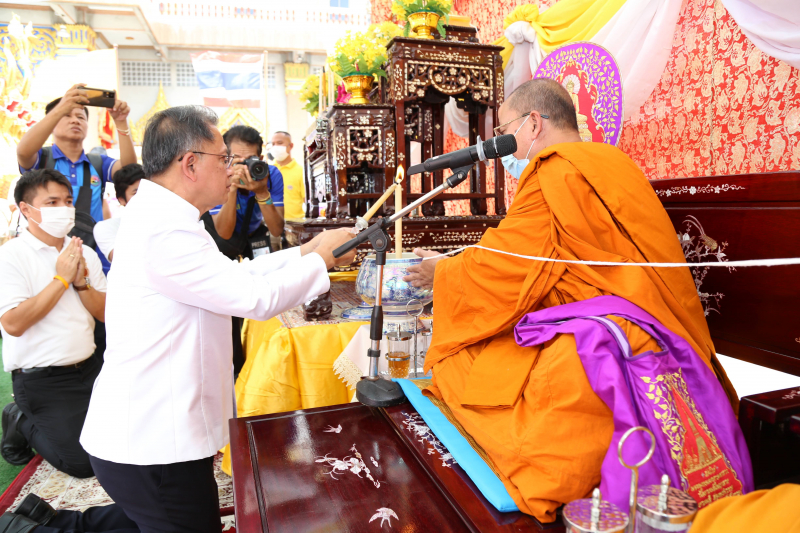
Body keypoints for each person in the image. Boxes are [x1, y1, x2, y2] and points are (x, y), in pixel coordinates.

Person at [403, 78, 741, 523]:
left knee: (464, 362)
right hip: (665, 322)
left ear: (533, 123)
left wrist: (442, 272)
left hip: (613, 327)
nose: (503, 146)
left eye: (504, 130)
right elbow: (536, 254)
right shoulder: (614, 161)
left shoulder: (555, 172)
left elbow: (507, 266)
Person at [79, 105, 356, 533]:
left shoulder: (169, 217)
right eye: (224, 158)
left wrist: (306, 251)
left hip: (158, 433)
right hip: (151, 442)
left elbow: (235, 275)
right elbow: (254, 297)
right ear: (189, 164)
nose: (233, 169)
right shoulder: (164, 229)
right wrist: (324, 259)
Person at [0, 169, 107, 478]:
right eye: (52, 202)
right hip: (43, 380)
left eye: (68, 201)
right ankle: (19, 418)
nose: (64, 208)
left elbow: (104, 314)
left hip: (90, 368)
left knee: (122, 444)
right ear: (26, 209)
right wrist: (61, 279)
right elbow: (13, 324)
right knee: (84, 465)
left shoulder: (84, 252)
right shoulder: (11, 256)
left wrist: (81, 282)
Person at [16, 84, 136, 273]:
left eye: (80, 117)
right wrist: (61, 106)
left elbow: (129, 170)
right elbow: (23, 152)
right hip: (47, 252)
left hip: (93, 254)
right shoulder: (42, 158)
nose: (75, 120)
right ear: (51, 122)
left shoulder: (97, 163)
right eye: (66, 115)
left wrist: (121, 122)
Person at [209, 125, 284, 258]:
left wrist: (262, 192)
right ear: (226, 159)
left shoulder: (270, 175)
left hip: (255, 234)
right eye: (237, 160)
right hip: (226, 242)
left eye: (250, 160)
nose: (244, 167)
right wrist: (231, 186)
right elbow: (224, 233)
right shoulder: (217, 176)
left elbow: (276, 230)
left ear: (260, 159)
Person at [92, 164, 143, 262]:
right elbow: (122, 259)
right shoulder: (106, 228)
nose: (144, 196)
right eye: (136, 193)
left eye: (148, 191)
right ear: (121, 199)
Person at [269, 130, 305, 225]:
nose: (276, 147)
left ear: (291, 146)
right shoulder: (268, 170)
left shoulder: (301, 171)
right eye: (273, 144)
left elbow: (307, 200)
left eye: (280, 143)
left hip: (295, 224)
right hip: (271, 223)